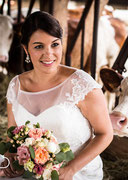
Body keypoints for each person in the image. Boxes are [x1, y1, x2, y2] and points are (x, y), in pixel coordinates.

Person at [1, 11, 113, 180]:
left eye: (55, 45)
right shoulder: (16, 86)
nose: (49, 54)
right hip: (30, 172)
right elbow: (13, 136)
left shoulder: (81, 84)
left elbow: (105, 134)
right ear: (26, 49)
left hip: (76, 173)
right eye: (39, 46)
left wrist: (71, 169)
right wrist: (11, 157)